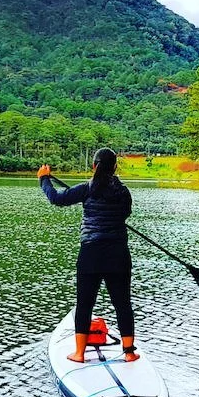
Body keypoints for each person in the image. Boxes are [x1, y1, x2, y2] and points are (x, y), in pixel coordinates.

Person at [38, 148, 138, 363]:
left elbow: (56, 198)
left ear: (94, 166)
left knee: (85, 304)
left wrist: (44, 179)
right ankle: (129, 353)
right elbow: (125, 213)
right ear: (115, 167)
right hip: (118, 254)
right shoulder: (123, 192)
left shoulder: (87, 189)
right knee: (122, 303)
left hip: (91, 253)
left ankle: (80, 354)